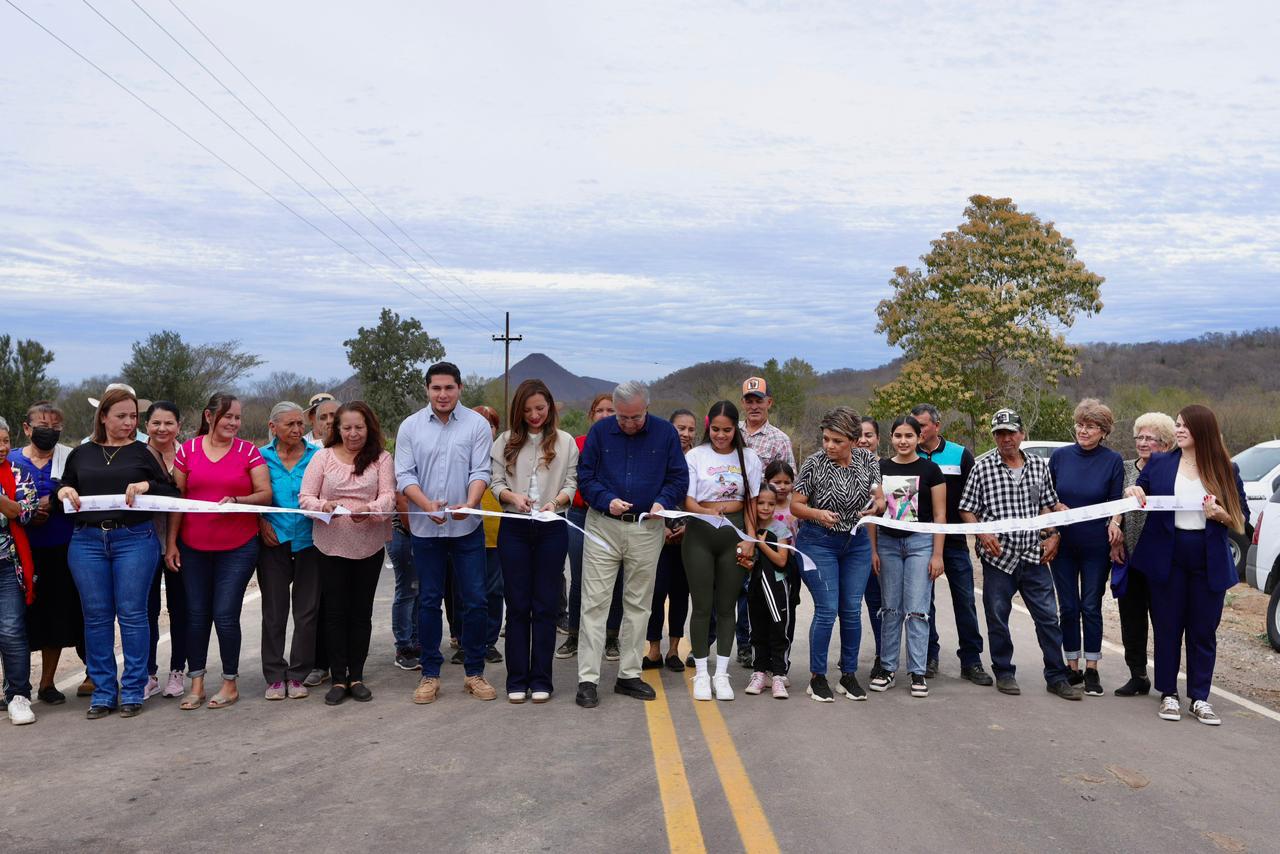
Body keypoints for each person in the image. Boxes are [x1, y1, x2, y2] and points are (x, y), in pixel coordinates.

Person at [58, 388, 179, 718]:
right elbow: (65, 485)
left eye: (134, 417)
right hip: (87, 541)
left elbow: (172, 490)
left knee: (132, 614)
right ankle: (103, 691)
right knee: (96, 617)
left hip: (134, 539)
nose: (129, 422)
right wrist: (64, 490)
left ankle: (133, 689)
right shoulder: (81, 453)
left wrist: (147, 486)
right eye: (122, 416)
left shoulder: (143, 453)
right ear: (103, 417)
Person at [1127, 404, 1248, 726]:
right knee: (1167, 627)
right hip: (1168, 556)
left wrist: (1220, 515)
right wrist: (1134, 489)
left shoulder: (1226, 468)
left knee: (1203, 631)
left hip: (1208, 559)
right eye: (1177, 425)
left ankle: (1200, 697)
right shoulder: (1161, 463)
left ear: (1202, 431)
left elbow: (1241, 521)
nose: (1178, 430)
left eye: (1185, 426)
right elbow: (1141, 490)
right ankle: (1168, 693)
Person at [574, 381, 688, 709]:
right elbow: (586, 476)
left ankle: (629, 674)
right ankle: (588, 679)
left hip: (646, 527)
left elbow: (678, 478)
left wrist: (662, 502)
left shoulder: (665, 434)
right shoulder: (600, 433)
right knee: (594, 603)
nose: (628, 424)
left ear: (647, 408)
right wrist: (606, 499)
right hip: (603, 526)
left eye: (635, 417)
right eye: (622, 418)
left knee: (638, 603)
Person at [958, 408, 1081, 701]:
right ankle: (1004, 672)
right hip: (998, 557)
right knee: (998, 617)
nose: (1006, 439)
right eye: (1000, 434)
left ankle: (1056, 675)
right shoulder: (982, 467)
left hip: (1033, 556)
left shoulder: (1038, 466)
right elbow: (967, 508)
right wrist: (982, 532)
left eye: (1011, 432)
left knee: (1048, 618)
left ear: (1022, 434)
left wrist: (1054, 535)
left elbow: (1047, 506)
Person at [396, 362, 496, 704]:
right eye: (436, 388)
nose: (442, 394)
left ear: (460, 388)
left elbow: (482, 469)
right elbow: (404, 475)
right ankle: (430, 674)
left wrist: (470, 502)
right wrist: (425, 505)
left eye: (448, 388)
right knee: (428, 601)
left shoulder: (477, 424)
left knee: (476, 600)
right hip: (426, 528)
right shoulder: (410, 427)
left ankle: (474, 672)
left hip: (467, 527)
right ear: (427, 389)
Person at [167, 393, 272, 711]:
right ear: (209, 416)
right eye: (228, 416)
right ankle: (196, 682)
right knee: (196, 615)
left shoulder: (248, 451)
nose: (234, 423)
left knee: (225, 615)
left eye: (238, 418)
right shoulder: (187, 451)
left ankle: (229, 683)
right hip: (194, 547)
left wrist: (238, 502)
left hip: (238, 547)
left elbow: (265, 494)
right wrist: (171, 542)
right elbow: (178, 500)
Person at [300, 401, 395, 705]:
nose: (353, 434)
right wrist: (323, 506)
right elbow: (305, 497)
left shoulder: (381, 459)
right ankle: (338, 678)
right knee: (335, 612)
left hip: (369, 546)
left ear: (369, 428)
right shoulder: (322, 458)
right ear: (336, 429)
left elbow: (388, 497)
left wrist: (370, 509)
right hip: (331, 545)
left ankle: (357, 675)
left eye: (359, 427)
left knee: (361, 613)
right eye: (347, 427)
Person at [490, 380, 577, 703]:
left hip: (552, 527)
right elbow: (495, 481)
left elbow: (572, 481)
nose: (534, 415)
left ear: (550, 407)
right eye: (527, 410)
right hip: (514, 526)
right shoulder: (505, 442)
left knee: (545, 605)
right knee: (517, 606)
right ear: (518, 411)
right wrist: (511, 496)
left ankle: (541, 678)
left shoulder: (566, 442)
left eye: (539, 408)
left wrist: (556, 502)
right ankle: (517, 679)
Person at [791, 407, 884, 703]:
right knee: (828, 608)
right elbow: (796, 506)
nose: (829, 445)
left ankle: (848, 675)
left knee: (852, 610)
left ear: (854, 441)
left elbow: (879, 497)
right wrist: (817, 513)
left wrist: (876, 506)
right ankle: (817, 677)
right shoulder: (814, 464)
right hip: (818, 542)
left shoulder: (869, 460)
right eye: (826, 439)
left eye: (837, 441)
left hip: (855, 543)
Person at [683, 401, 763, 701]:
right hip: (700, 534)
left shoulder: (749, 457)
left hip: (735, 535)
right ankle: (702, 673)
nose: (720, 435)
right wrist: (707, 512)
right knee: (703, 606)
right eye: (715, 429)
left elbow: (752, 503)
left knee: (727, 606)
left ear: (735, 428)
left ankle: (722, 674)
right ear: (708, 426)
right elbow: (687, 501)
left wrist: (751, 538)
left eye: (727, 430)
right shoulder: (695, 455)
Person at [8, 402, 85, 706]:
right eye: (42, 425)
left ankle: (48, 683)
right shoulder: (10, 461)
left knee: (57, 615)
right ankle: (13, 685)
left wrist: (56, 501)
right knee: (17, 621)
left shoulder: (70, 459)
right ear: (26, 428)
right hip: (19, 552)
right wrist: (25, 511)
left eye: (55, 427)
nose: (48, 432)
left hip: (62, 548)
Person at [1048, 398, 1125, 696]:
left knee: (1090, 606)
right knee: (1067, 607)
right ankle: (1073, 667)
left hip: (1096, 545)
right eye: (1080, 425)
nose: (1083, 431)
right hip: (1064, 543)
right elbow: (1047, 494)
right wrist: (1055, 507)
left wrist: (1115, 522)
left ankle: (1092, 669)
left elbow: (1117, 501)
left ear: (1103, 431)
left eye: (1091, 427)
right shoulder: (1060, 456)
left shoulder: (1113, 460)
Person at [912, 403, 992, 686]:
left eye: (922, 425)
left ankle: (972, 660)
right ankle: (929, 655)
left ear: (937, 425)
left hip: (956, 542)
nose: (917, 431)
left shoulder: (960, 454)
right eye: (914, 425)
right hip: (921, 541)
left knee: (965, 602)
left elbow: (977, 494)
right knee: (924, 603)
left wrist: (981, 532)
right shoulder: (908, 453)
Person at [867, 416, 946, 698]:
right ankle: (887, 668)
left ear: (918, 438)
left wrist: (938, 554)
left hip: (920, 544)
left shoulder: (932, 470)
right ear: (891, 437)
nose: (903, 441)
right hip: (887, 544)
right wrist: (873, 550)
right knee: (890, 609)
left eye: (909, 436)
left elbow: (939, 515)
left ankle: (918, 672)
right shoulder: (879, 469)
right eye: (898, 435)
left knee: (917, 609)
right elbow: (874, 514)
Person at [1108, 412, 1175, 697]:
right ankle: (1137, 675)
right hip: (1129, 556)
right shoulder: (1124, 468)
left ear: (1166, 441)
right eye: (1140, 437)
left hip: (1162, 559)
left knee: (1163, 621)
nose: (1143, 442)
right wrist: (1114, 531)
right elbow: (1113, 503)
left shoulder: (1172, 469)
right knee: (1131, 619)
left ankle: (1166, 682)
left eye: (1151, 438)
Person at [257, 402, 321, 700]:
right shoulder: (260, 457)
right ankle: (273, 676)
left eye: (300, 424)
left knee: (306, 611)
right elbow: (254, 494)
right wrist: (259, 521)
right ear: (273, 427)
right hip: (274, 542)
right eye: (290, 425)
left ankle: (297, 675)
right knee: (274, 611)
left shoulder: (317, 456)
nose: (297, 430)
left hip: (310, 542)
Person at [556, 393, 625, 662]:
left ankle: (611, 637)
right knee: (580, 577)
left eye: (611, 410)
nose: (605, 415)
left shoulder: (625, 446)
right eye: (600, 410)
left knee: (615, 579)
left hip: (612, 517)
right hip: (580, 514)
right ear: (591, 414)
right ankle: (574, 635)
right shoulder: (579, 444)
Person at [736, 377, 797, 668]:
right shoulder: (731, 434)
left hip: (768, 521)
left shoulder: (779, 440)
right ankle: (740, 641)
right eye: (749, 400)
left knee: (761, 584)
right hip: (734, 514)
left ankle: (759, 647)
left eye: (759, 400)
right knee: (737, 583)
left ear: (769, 402)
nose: (754, 405)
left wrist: (784, 524)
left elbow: (788, 484)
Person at [644, 409, 695, 672]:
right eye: (680, 428)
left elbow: (702, 500)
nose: (685, 434)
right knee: (656, 593)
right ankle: (653, 649)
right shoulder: (656, 456)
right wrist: (660, 527)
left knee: (680, 594)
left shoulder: (697, 460)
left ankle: (674, 650)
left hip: (688, 538)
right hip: (658, 535)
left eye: (690, 429)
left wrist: (688, 527)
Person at [142, 401, 187, 699]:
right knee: (146, 611)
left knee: (180, 608)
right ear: (146, 426)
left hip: (183, 542)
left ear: (178, 426)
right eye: (156, 423)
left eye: (168, 423)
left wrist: (173, 543)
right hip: (142, 542)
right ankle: (148, 674)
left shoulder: (188, 455)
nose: (162, 429)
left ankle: (177, 671)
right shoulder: (134, 455)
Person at [0, 416, 38, 725]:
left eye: (6, 441)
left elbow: (23, 513)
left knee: (11, 631)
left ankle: (18, 696)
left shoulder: (18, 472)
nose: (3, 448)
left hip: (6, 565)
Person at [743, 484, 794, 699]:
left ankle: (779, 676)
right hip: (755, 588)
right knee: (757, 630)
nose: (765, 507)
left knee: (778, 629)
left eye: (771, 504)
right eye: (760, 503)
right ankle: (759, 673)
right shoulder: (748, 529)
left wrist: (762, 545)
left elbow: (782, 561)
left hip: (777, 588)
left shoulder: (780, 529)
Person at [473, 405, 505, 666]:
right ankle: (467, 641)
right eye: (480, 422)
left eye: (491, 424)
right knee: (468, 593)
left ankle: (489, 642)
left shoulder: (503, 457)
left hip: (498, 538)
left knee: (495, 591)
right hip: (468, 535)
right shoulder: (464, 454)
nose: (485, 428)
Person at [856, 416, 885, 681]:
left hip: (884, 545)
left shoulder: (888, 469)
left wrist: (876, 550)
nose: (863, 440)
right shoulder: (845, 467)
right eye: (859, 435)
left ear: (878, 438)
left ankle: (883, 656)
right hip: (854, 547)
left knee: (880, 603)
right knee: (853, 605)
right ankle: (848, 661)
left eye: (869, 435)